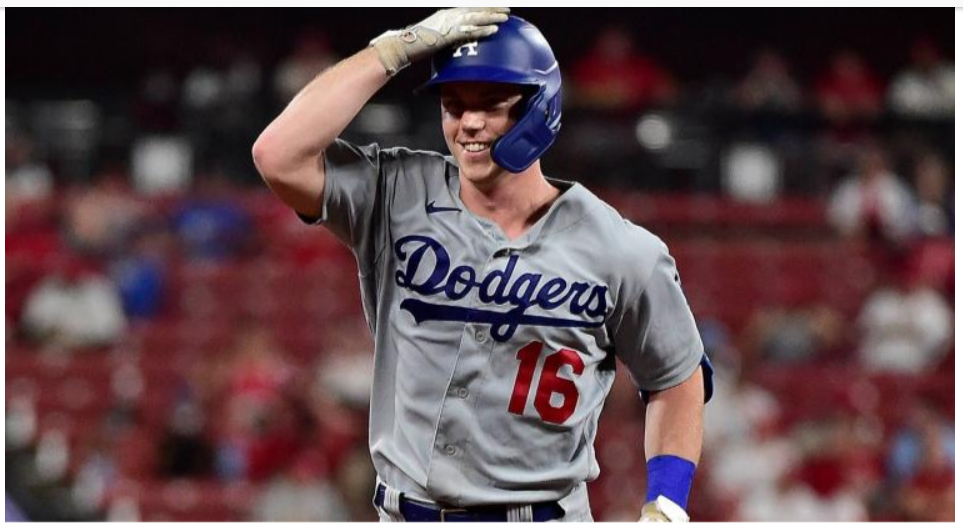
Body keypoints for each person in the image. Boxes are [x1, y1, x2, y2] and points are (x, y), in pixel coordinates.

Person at [253, 9, 712, 522]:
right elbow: (278, 155)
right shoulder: (396, 193)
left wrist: (668, 500)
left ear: (541, 107)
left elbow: (676, 375)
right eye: (454, 105)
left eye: (491, 104)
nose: (469, 122)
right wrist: (393, 51)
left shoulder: (621, 249)